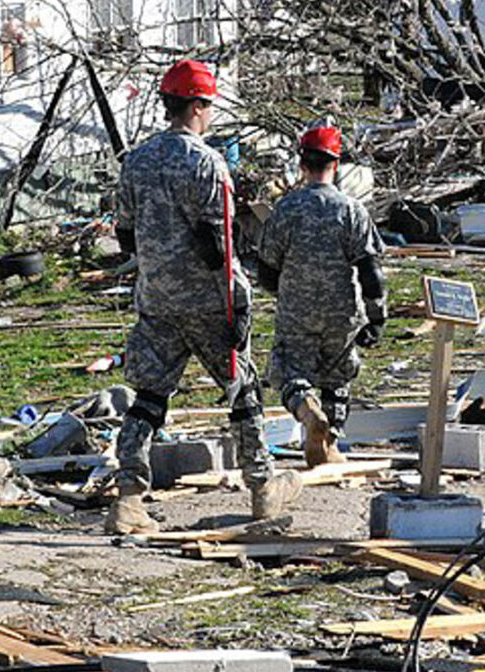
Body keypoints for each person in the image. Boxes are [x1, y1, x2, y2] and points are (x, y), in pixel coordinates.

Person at [109, 60, 302, 535]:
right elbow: (222, 244)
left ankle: (128, 498)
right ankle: (262, 488)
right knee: (243, 395)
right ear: (197, 105)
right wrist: (238, 301)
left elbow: (125, 236)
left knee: (148, 398)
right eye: (209, 106)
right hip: (208, 302)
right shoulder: (206, 163)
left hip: (156, 298)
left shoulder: (135, 160)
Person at [257, 121, 386, 466]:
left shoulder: (285, 209)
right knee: (338, 376)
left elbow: (266, 269)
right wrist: (377, 317)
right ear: (337, 164)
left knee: (289, 372)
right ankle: (330, 445)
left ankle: (305, 408)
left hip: (297, 310)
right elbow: (371, 272)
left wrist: (285, 291)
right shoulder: (352, 210)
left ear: (302, 163)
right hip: (342, 312)